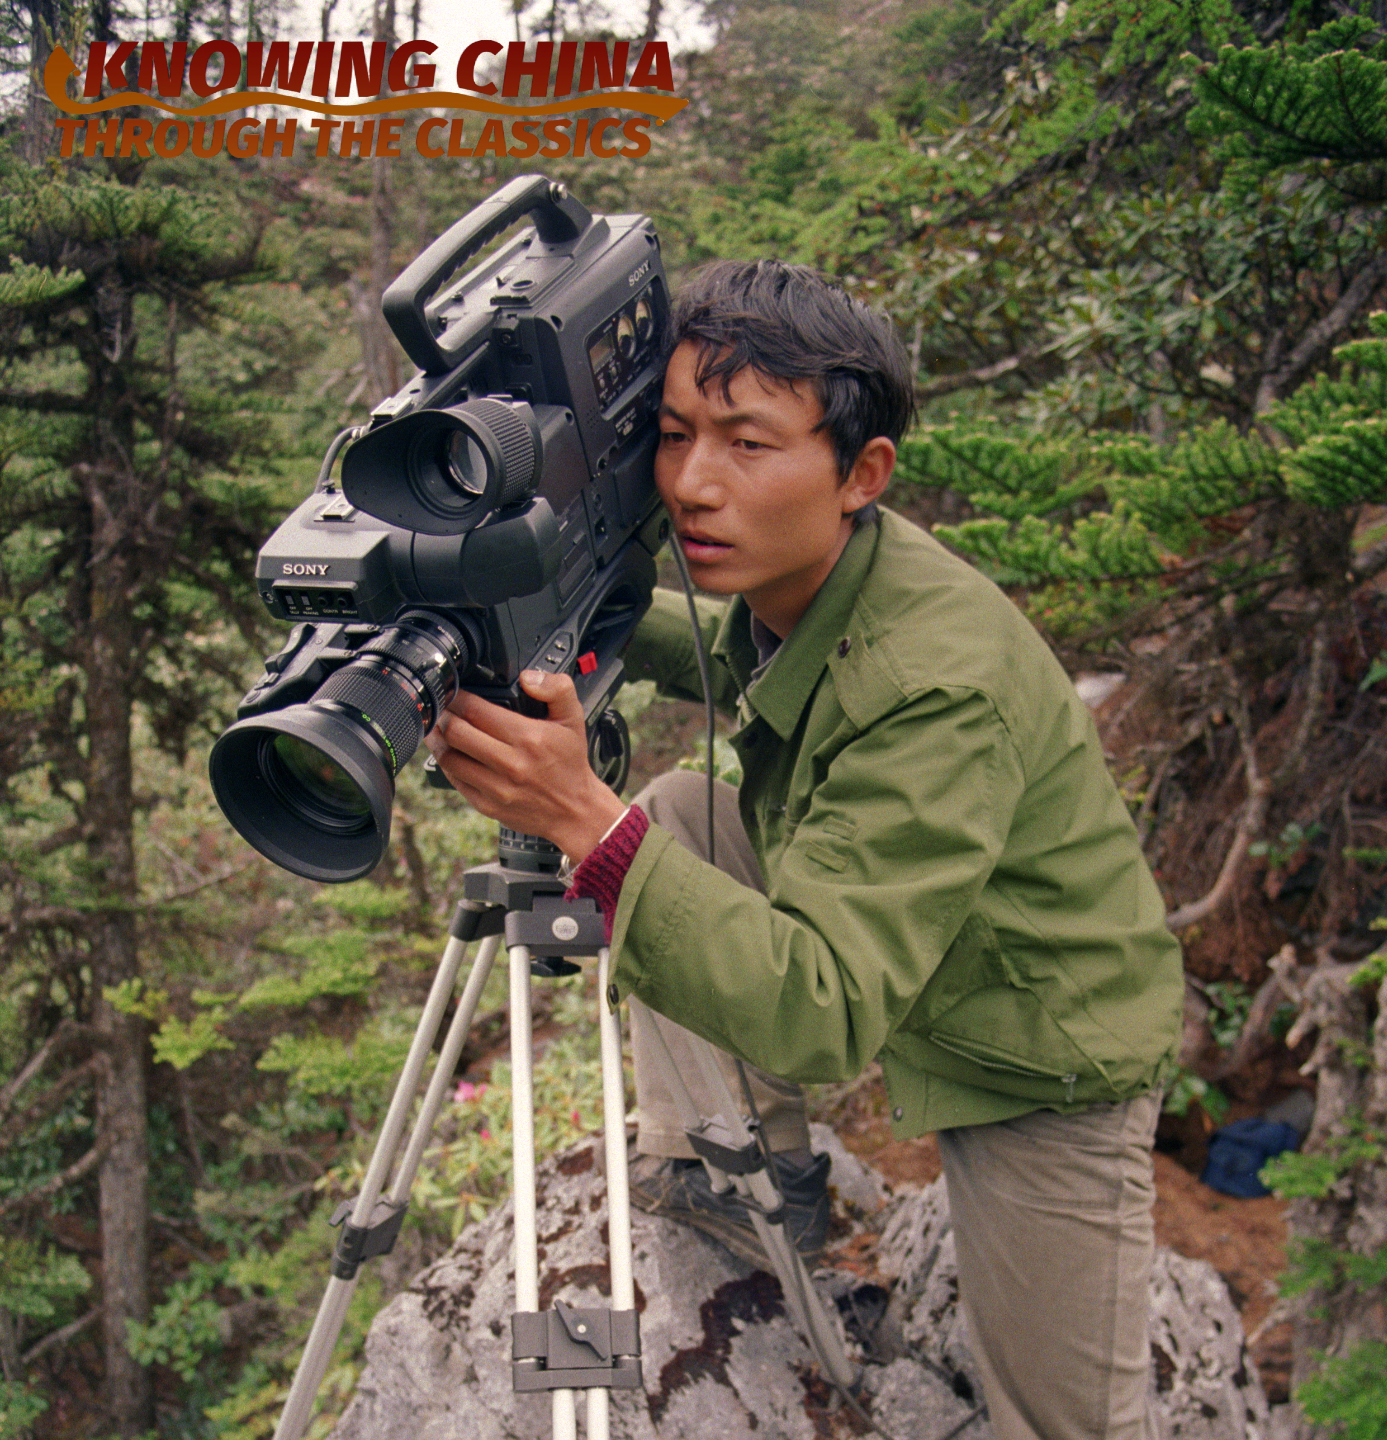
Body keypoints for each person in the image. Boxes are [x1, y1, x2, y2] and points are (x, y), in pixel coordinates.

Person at [425, 261, 1184, 1440]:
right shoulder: (818, 576)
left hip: (1043, 1050)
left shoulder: (933, 682)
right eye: (674, 435)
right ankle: (730, 1170)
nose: (693, 483)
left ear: (861, 474)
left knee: (1067, 1425)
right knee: (682, 811)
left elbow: (823, 1011)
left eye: (748, 444)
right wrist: (530, 624)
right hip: (919, 948)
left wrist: (579, 818)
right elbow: (721, 648)